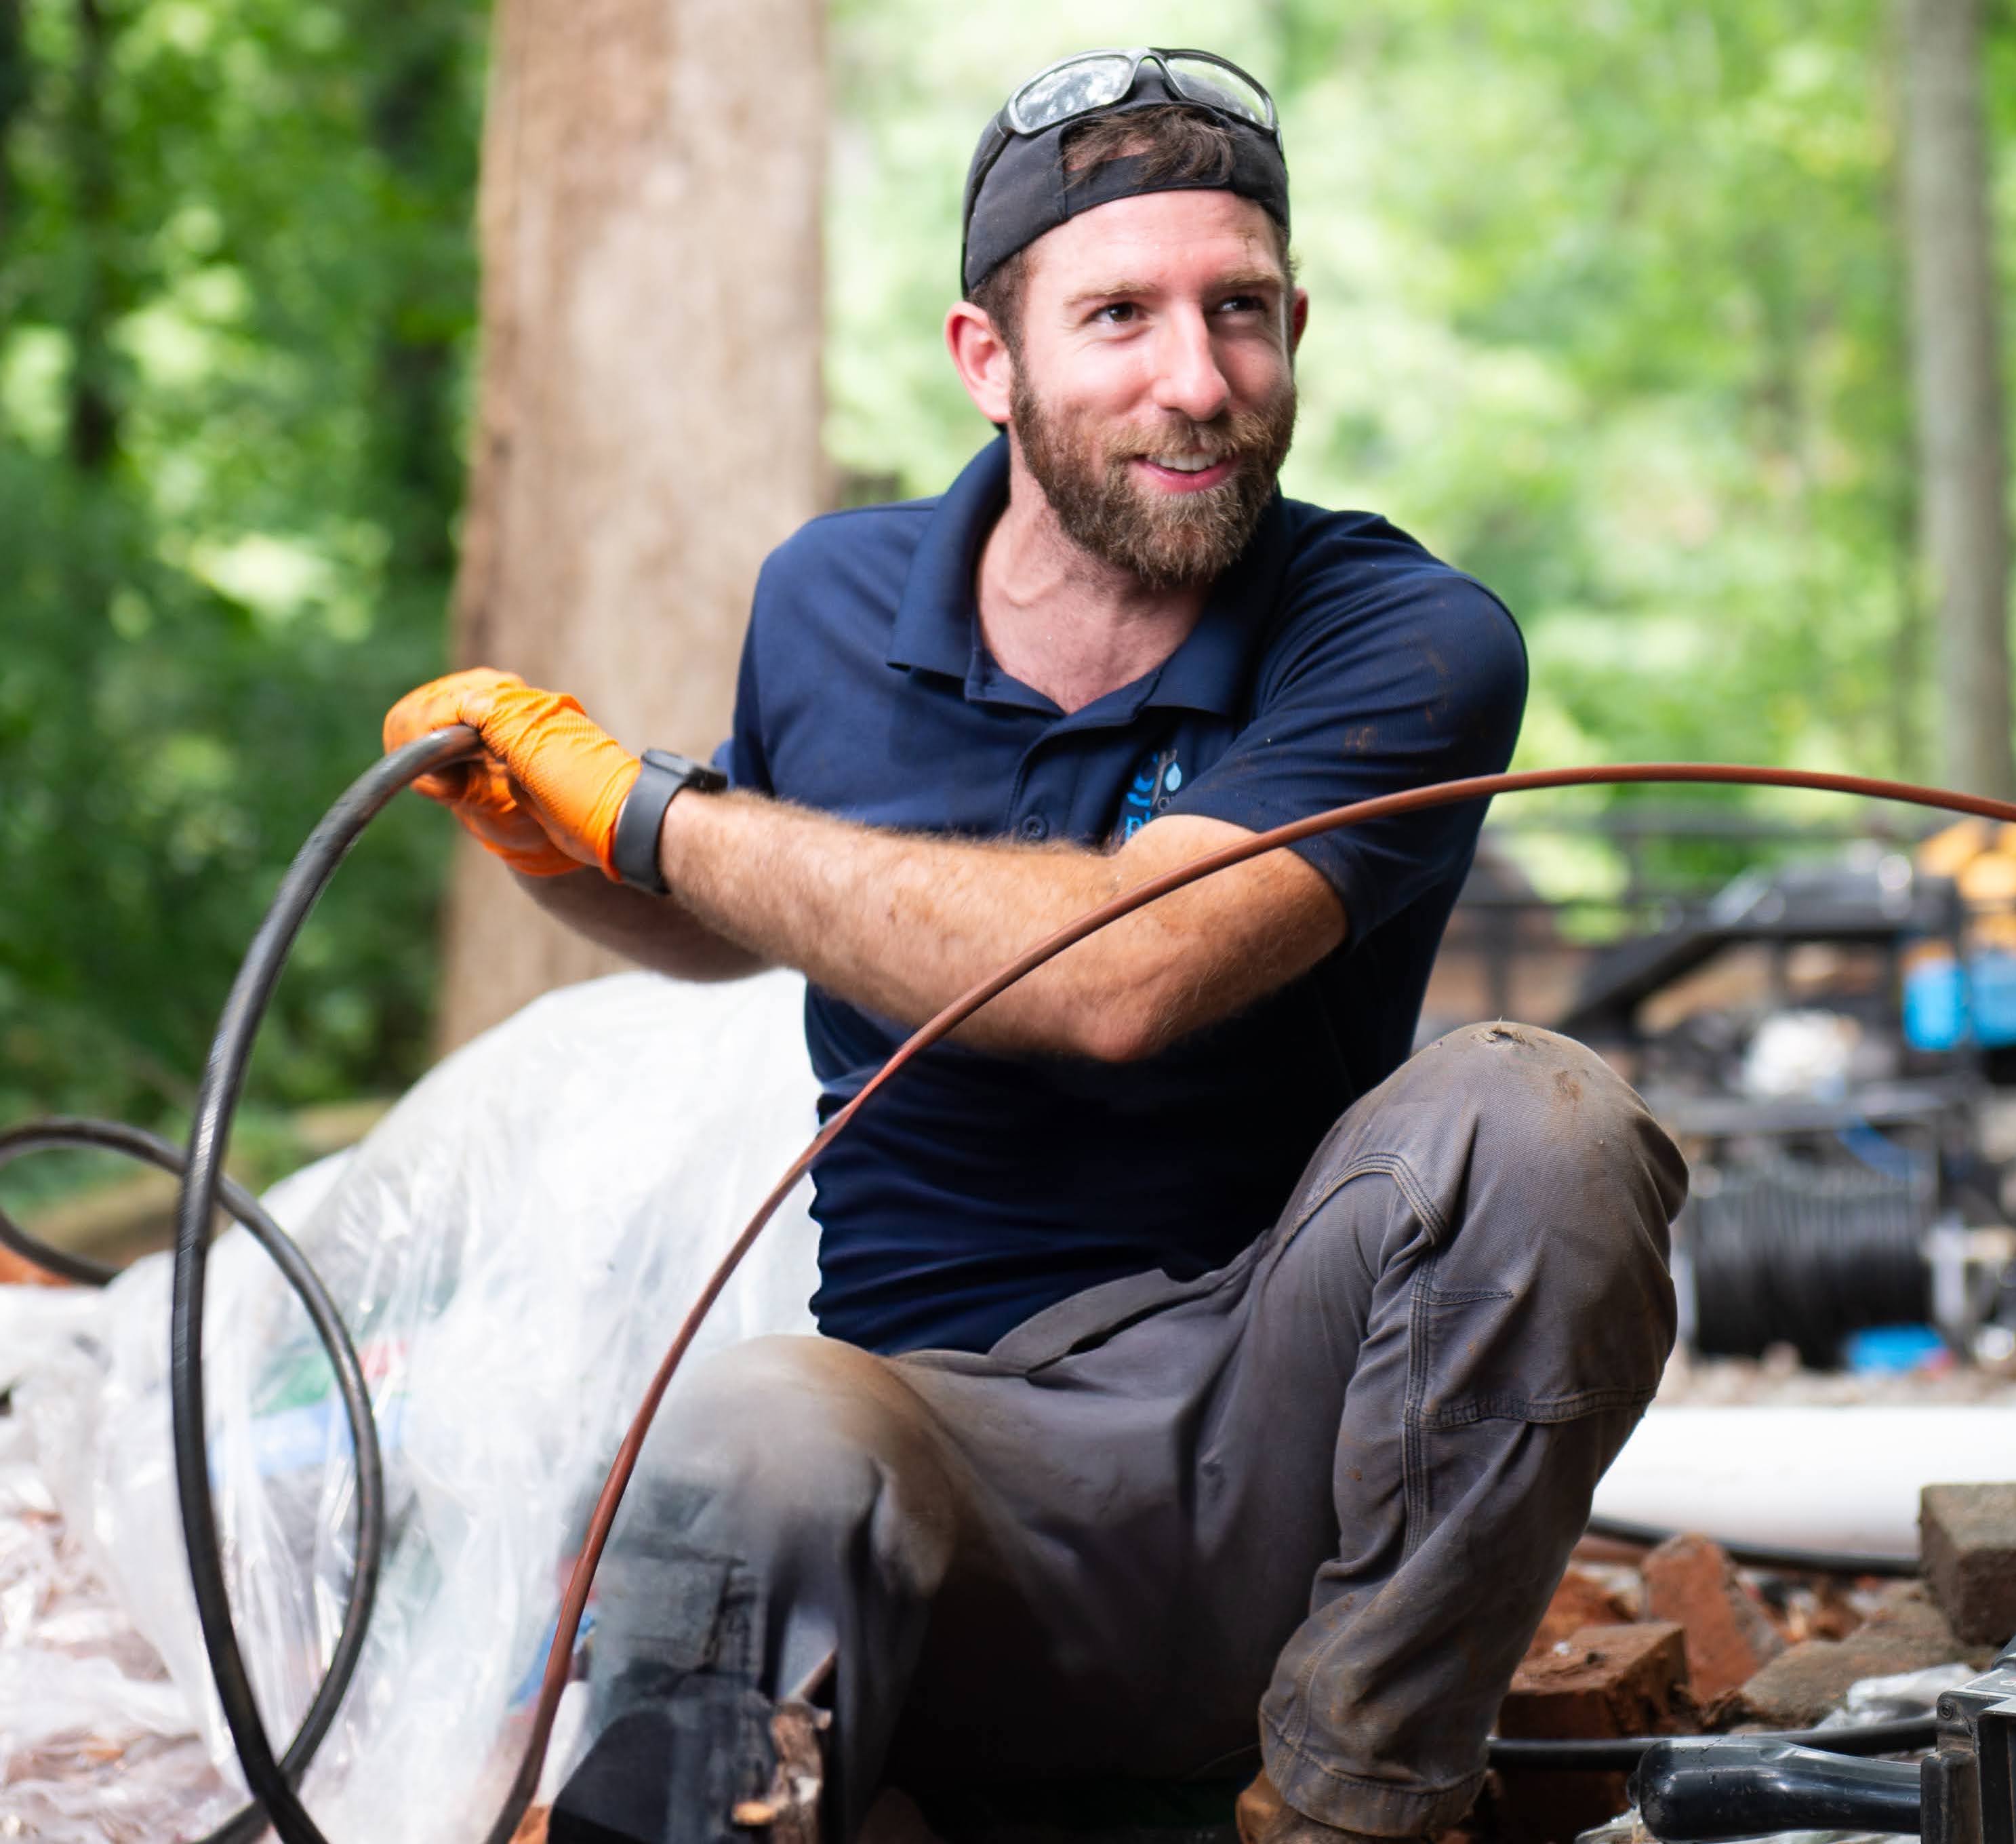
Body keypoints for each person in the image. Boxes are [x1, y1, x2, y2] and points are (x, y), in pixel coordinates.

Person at [385, 47, 1684, 1844]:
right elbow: (763, 915)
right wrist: (555, 837)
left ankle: (1356, 1802)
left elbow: (1113, 979)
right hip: (942, 1470)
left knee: (1537, 1121)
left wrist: (658, 812)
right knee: (744, 1434)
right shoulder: (824, 603)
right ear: (984, 362)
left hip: (1281, 1466)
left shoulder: (1402, 634)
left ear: (1296, 323)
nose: (1196, 381)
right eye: (1118, 317)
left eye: (1240, 312)